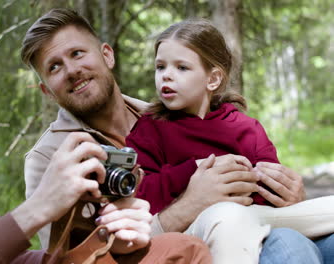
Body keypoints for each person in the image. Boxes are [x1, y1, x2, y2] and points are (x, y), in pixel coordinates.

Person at [0, 1, 212, 263]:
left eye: (78, 53)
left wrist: (106, 241)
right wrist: (42, 205)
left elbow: (2, 254)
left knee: (182, 250)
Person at [22, 8, 334, 264]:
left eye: (78, 53)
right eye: (54, 68)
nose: (72, 70)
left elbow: (260, 171)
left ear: (107, 55)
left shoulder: (168, 112)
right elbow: (70, 260)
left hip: (245, 230)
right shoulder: (48, 158)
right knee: (288, 244)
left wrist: (289, 194)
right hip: (183, 250)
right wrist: (191, 201)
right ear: (46, 90)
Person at [125, 19, 334, 263]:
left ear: (212, 79)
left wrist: (280, 190)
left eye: (181, 68)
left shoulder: (246, 128)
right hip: (205, 227)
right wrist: (193, 170)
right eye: (160, 67)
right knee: (239, 219)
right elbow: (140, 194)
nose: (166, 77)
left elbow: (272, 197)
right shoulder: (151, 128)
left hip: (260, 219)